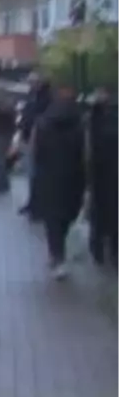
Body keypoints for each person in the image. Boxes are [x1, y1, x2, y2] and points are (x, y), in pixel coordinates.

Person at [31, 85, 88, 280]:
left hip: (48, 177)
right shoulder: (80, 126)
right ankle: (58, 254)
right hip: (73, 177)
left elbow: (37, 154)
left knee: (52, 219)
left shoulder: (43, 124)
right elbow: (84, 154)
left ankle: (57, 255)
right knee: (66, 217)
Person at [86, 87, 119, 266]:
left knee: (99, 214)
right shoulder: (110, 119)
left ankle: (98, 249)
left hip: (100, 174)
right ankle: (113, 251)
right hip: (112, 173)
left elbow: (89, 151)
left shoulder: (92, 120)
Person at [18, 72, 52, 218]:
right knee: (31, 174)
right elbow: (27, 115)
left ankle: (38, 206)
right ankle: (32, 203)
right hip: (28, 138)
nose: (30, 84)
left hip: (38, 141)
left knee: (37, 175)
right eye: (30, 81)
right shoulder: (32, 96)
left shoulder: (45, 98)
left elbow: (40, 119)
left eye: (33, 81)